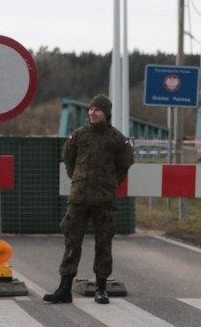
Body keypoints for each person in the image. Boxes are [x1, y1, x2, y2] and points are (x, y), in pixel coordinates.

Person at [43, 94, 134, 305]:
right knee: (71, 241)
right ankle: (64, 288)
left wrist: (107, 184)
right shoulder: (79, 136)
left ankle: (101, 289)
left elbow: (123, 166)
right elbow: (68, 160)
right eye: (91, 109)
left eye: (98, 110)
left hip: (104, 199)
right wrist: (79, 179)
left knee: (104, 243)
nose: (93, 113)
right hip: (79, 198)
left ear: (106, 113)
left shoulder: (117, 139)